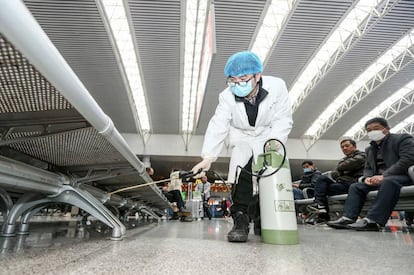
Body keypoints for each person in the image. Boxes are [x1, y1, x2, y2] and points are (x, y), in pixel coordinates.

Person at [191, 51, 293, 242]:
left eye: (244, 78)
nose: (238, 84)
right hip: (241, 135)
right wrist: (208, 156)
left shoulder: (277, 86)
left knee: (267, 175)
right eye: (233, 80)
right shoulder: (226, 96)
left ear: (257, 75)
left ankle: (264, 217)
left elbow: (283, 117)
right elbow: (219, 123)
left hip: (268, 134)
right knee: (242, 172)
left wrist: (275, 140)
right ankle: (240, 219)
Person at [327, 117, 414, 231]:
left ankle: (373, 221)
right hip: (379, 179)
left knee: (388, 182)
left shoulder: (402, 139)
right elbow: (368, 168)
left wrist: (384, 175)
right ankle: (348, 217)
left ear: (386, 129)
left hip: (401, 176)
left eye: (376, 128)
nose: (372, 132)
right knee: (356, 186)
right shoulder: (370, 149)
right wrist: (367, 178)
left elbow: (408, 159)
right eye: (369, 130)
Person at [305, 139, 366, 224]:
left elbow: (345, 166)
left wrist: (341, 169)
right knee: (322, 180)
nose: (344, 148)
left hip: (353, 184)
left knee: (321, 189)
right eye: (342, 147)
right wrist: (343, 170)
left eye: (347, 146)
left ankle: (322, 213)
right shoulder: (344, 159)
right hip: (341, 184)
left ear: (354, 146)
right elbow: (335, 174)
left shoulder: (362, 155)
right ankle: (321, 207)